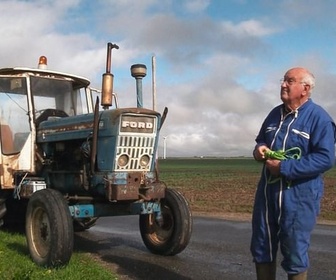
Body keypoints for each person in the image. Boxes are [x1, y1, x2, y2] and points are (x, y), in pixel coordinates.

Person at [250, 67, 335, 280]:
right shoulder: (274, 113)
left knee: (295, 252)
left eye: (289, 81)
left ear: (305, 88)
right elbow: (261, 139)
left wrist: (284, 168)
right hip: (267, 194)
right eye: (283, 80)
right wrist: (260, 149)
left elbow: (325, 158)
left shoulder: (319, 118)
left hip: (299, 197)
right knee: (262, 245)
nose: (283, 84)